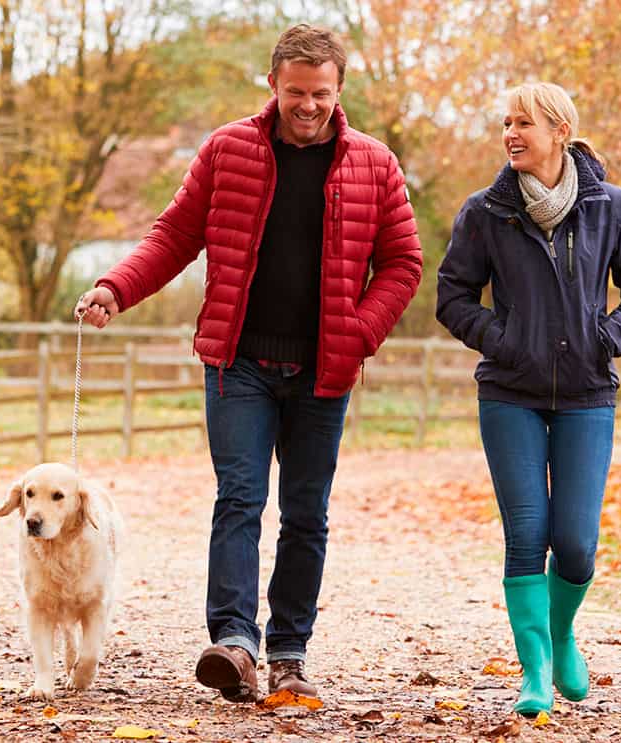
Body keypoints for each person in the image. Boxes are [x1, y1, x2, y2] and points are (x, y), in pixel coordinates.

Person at [74, 23, 422, 703]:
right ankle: (234, 643)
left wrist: (360, 331)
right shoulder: (227, 150)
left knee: (305, 511)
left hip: (325, 368)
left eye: (321, 93)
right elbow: (174, 234)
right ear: (273, 84)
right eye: (296, 91)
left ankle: (290, 649)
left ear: (339, 88)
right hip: (238, 362)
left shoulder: (374, 163)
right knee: (239, 496)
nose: (308, 105)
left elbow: (403, 262)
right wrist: (115, 288)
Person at [434, 82, 621, 717]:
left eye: (524, 124)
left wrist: (608, 336)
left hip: (588, 394)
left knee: (575, 542)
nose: (511, 133)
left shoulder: (610, 207)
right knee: (526, 533)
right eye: (506, 123)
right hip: (509, 393)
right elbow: (452, 296)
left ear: (560, 132)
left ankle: (562, 634)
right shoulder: (485, 213)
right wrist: (501, 341)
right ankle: (534, 668)